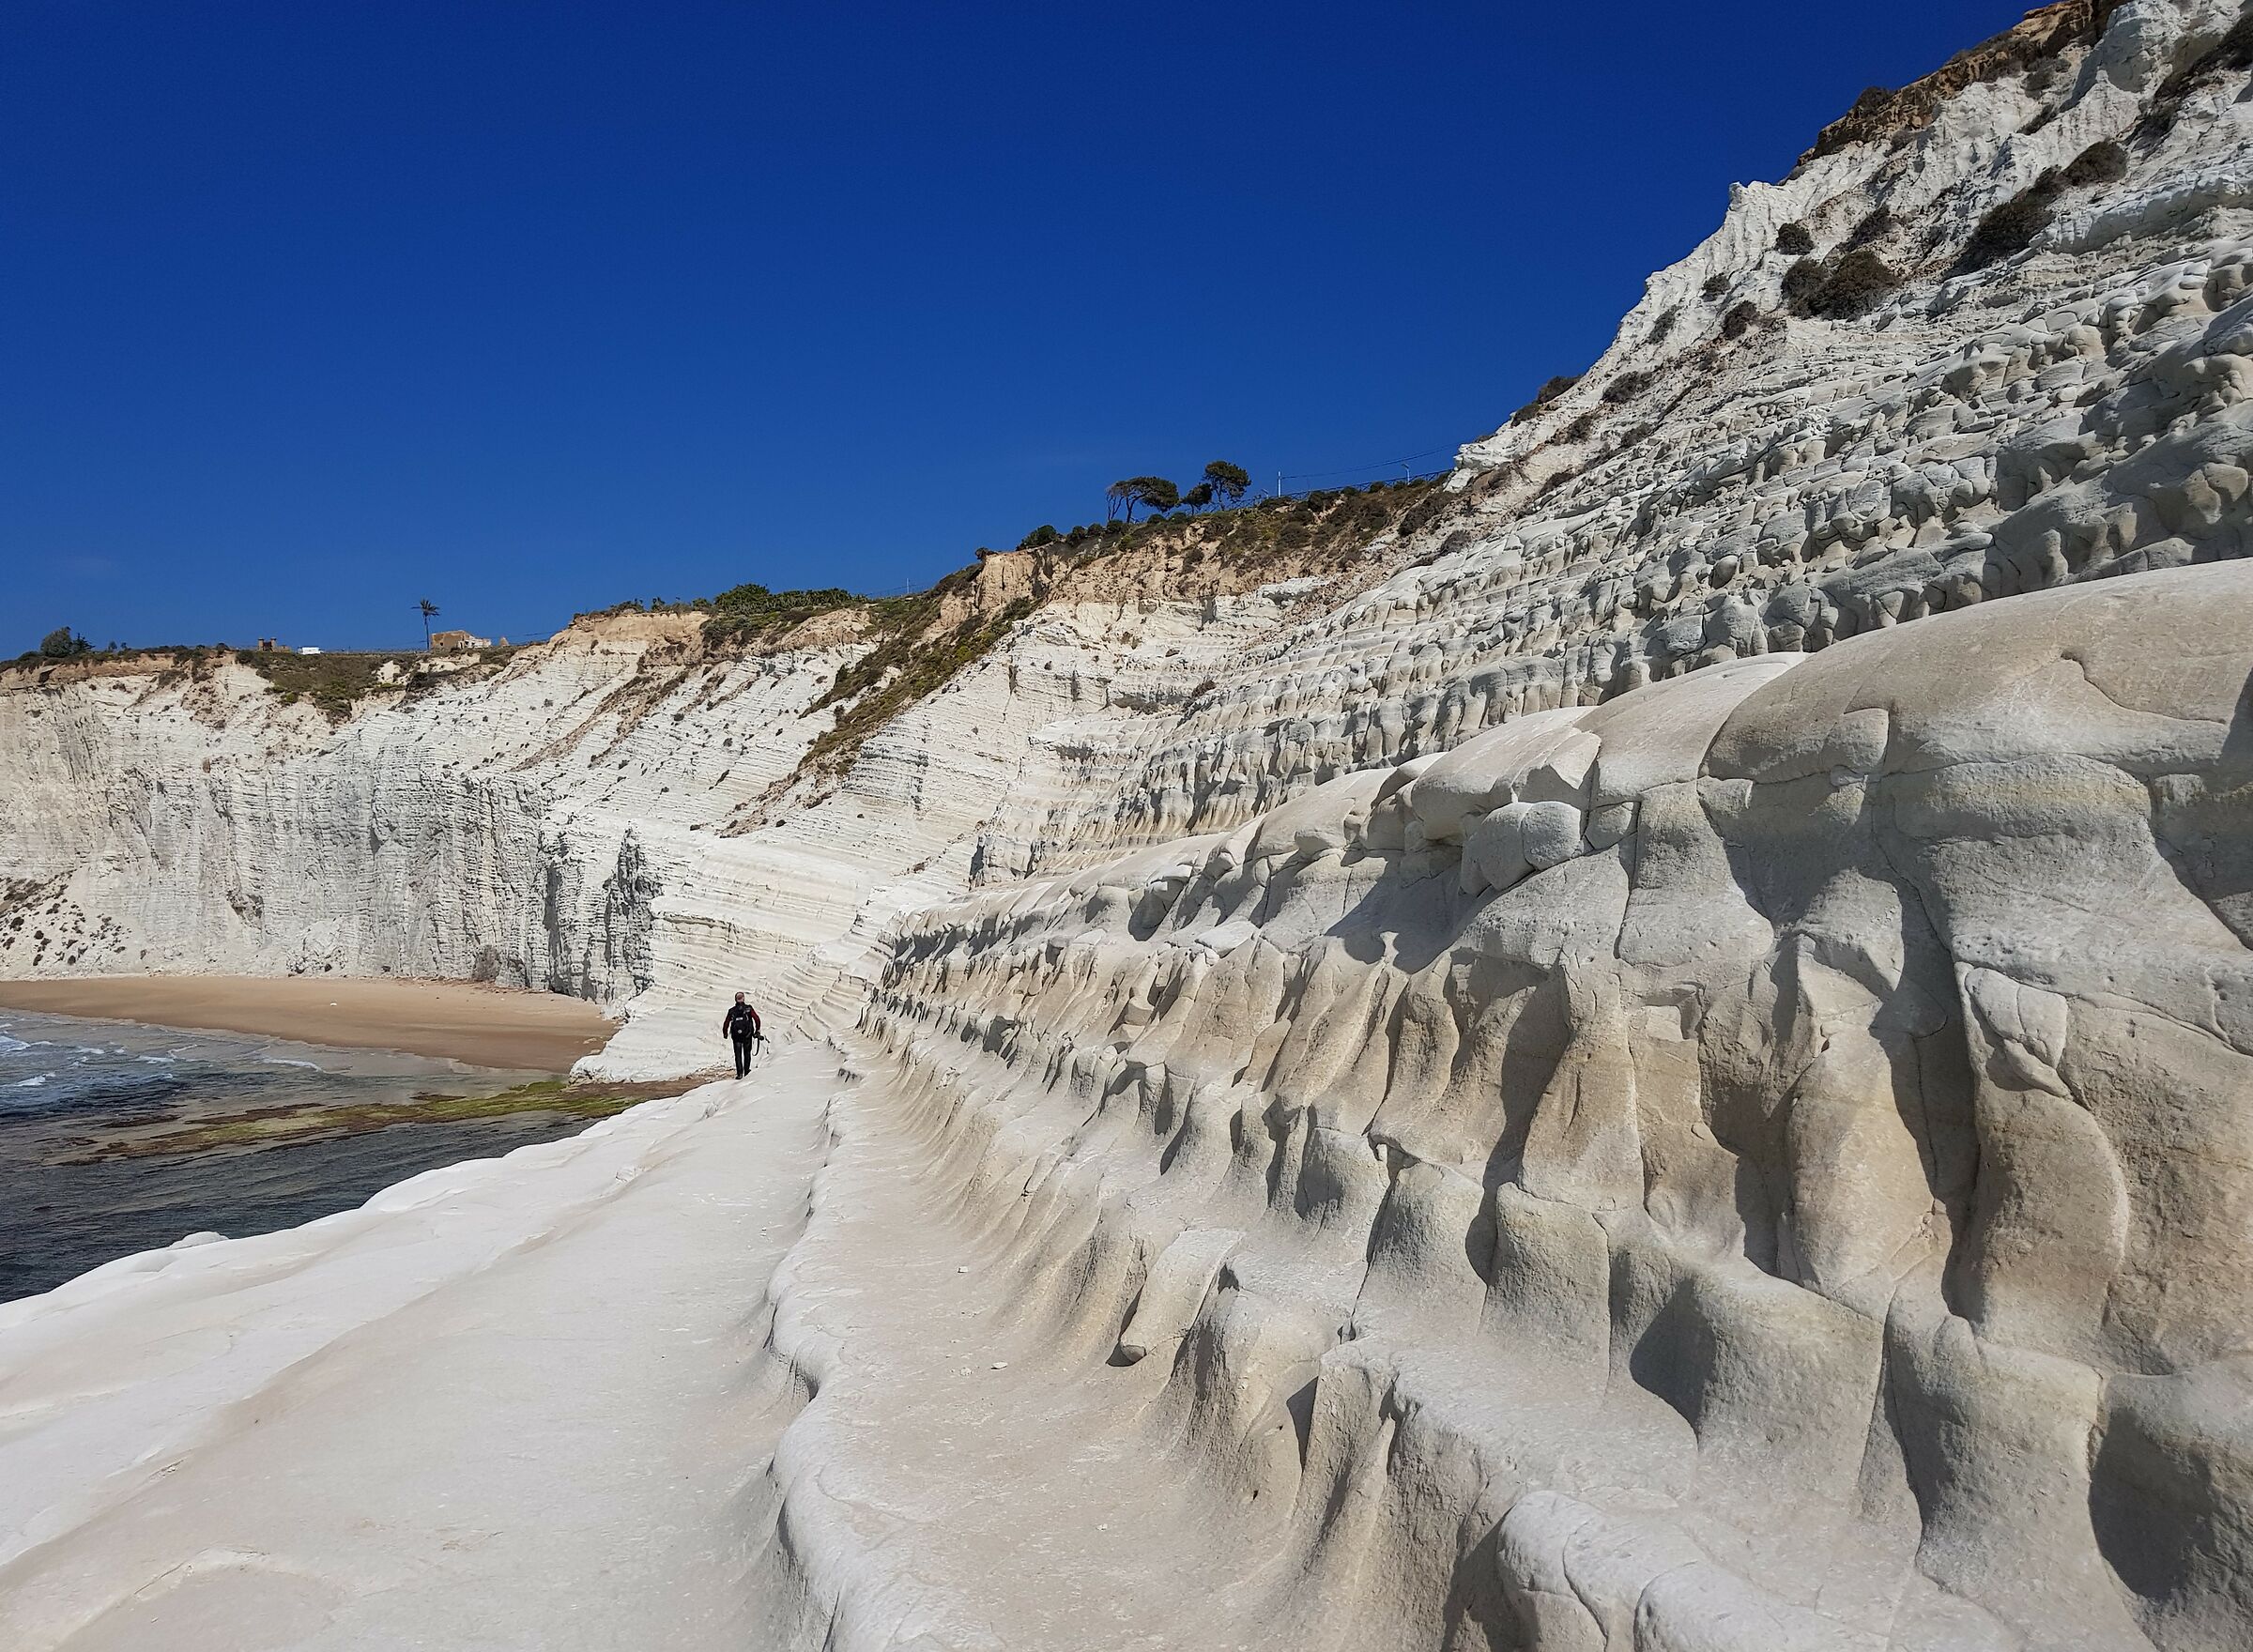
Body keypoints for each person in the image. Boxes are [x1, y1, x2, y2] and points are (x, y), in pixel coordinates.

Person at [722, 992, 763, 1078]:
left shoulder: (731, 1011)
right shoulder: (748, 1008)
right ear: (743, 999)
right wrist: (757, 1030)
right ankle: (747, 1071)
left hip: (736, 1036)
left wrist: (725, 1033)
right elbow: (757, 1019)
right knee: (747, 1053)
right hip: (747, 1035)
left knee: (738, 1055)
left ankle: (739, 1074)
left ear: (735, 1000)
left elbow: (726, 1023)